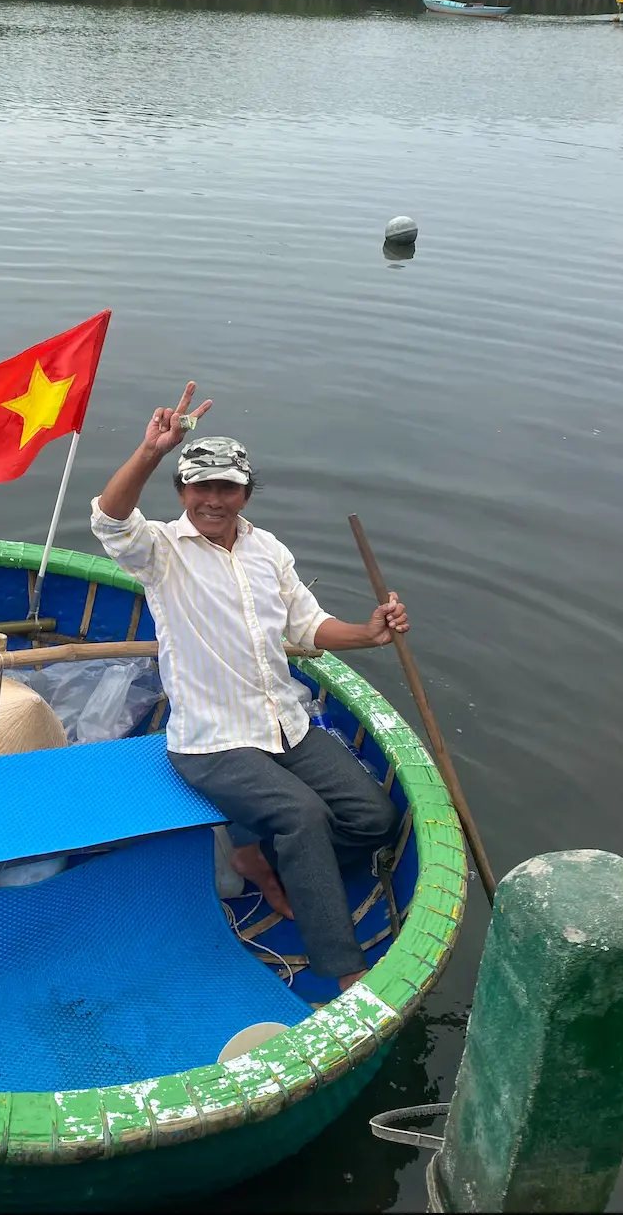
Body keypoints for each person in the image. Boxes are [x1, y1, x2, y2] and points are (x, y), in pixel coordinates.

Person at [91, 381, 408, 991]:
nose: (214, 499)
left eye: (227, 487)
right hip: (211, 740)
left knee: (374, 817)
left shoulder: (268, 551)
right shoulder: (159, 550)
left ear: (245, 492)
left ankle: (262, 858)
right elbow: (110, 516)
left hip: (284, 725)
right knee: (303, 816)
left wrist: (369, 634)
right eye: (201, 487)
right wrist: (151, 449)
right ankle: (342, 967)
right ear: (183, 492)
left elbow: (310, 626)